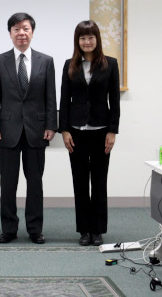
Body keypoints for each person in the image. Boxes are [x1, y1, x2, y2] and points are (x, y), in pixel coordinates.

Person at [0, 12, 57, 244]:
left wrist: (51, 125)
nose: (21, 33)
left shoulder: (45, 61)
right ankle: (8, 228)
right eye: (16, 29)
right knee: (7, 183)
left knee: (35, 183)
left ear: (32, 32)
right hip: (7, 130)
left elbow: (51, 98)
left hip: (37, 130)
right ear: (10, 33)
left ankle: (35, 229)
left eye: (25, 28)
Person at [59, 20, 120, 246]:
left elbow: (114, 100)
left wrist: (112, 131)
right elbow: (64, 100)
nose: (86, 41)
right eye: (82, 38)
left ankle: (98, 230)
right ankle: (84, 230)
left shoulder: (110, 64)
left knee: (100, 181)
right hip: (75, 132)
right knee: (80, 181)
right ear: (78, 41)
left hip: (101, 131)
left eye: (90, 37)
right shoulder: (69, 65)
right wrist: (64, 130)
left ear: (97, 39)